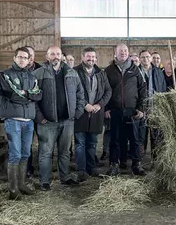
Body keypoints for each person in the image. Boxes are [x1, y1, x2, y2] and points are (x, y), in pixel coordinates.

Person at [33, 46, 85, 191]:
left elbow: (80, 94)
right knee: (46, 152)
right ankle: (44, 181)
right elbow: (33, 98)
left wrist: (77, 113)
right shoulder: (38, 73)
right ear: (47, 56)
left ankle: (65, 177)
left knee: (65, 151)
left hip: (67, 120)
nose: (55, 56)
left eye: (58, 54)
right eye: (52, 54)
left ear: (62, 56)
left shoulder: (72, 73)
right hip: (47, 122)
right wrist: (40, 117)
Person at [0, 47, 42, 200]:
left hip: (28, 121)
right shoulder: (5, 75)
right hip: (13, 120)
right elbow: (12, 95)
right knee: (15, 154)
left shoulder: (31, 76)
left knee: (26, 153)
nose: (22, 60)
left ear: (30, 60)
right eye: (20, 57)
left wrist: (26, 94)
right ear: (14, 58)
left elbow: (39, 95)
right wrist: (29, 96)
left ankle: (21, 184)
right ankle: (13, 189)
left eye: (25, 57)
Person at [104, 43, 147, 176]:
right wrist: (106, 108)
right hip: (115, 110)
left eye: (125, 51)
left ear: (128, 53)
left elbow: (142, 89)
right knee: (115, 139)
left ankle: (136, 164)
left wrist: (141, 108)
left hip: (132, 110)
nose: (123, 53)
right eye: (120, 51)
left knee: (135, 139)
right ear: (115, 53)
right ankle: (114, 165)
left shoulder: (136, 69)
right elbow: (104, 91)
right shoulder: (108, 70)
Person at [73, 47, 112, 182]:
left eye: (93, 57)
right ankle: (81, 171)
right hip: (80, 114)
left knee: (92, 144)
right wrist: (85, 105)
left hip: (96, 114)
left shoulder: (101, 73)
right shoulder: (75, 72)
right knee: (80, 144)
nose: (91, 59)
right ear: (82, 57)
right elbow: (72, 92)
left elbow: (108, 91)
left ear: (96, 59)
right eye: (88, 57)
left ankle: (91, 168)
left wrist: (99, 105)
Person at [139, 50, 167, 160]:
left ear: (151, 58)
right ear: (140, 59)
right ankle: (140, 160)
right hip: (141, 109)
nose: (145, 59)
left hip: (155, 108)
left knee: (156, 135)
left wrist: (161, 106)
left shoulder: (158, 72)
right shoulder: (136, 72)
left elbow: (163, 88)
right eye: (142, 57)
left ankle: (155, 160)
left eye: (147, 57)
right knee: (141, 136)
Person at [24, 46, 41, 179]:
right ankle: (28, 169)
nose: (29, 57)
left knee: (44, 141)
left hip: (40, 112)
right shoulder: (18, 71)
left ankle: (43, 167)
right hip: (26, 113)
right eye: (26, 54)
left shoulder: (42, 69)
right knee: (27, 142)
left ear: (34, 57)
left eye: (31, 55)